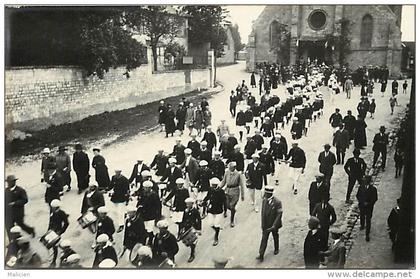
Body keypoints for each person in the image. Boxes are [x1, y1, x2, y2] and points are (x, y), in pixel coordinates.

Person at [256, 186, 283, 262]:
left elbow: (279, 215)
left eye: (266, 193)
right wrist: (263, 225)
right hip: (266, 225)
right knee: (264, 239)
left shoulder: (277, 202)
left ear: (270, 194)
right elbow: (263, 213)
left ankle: (276, 248)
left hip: (274, 224)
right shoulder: (264, 200)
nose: (265, 194)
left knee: (275, 236)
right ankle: (261, 254)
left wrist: (274, 226)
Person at [203, 177, 227, 246]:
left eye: (214, 185)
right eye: (212, 184)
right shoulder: (210, 190)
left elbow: (224, 202)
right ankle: (217, 229)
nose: (213, 186)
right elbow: (207, 196)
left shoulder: (221, 191)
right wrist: (204, 201)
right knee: (210, 223)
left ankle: (216, 237)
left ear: (217, 184)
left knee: (216, 224)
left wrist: (225, 211)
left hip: (219, 210)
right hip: (211, 209)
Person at [219, 162, 245, 227]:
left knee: (232, 205)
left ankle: (232, 220)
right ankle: (233, 210)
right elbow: (223, 181)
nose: (230, 169)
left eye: (231, 168)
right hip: (227, 191)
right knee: (227, 205)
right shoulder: (227, 172)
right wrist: (219, 188)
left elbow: (242, 185)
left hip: (235, 191)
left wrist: (242, 195)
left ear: (234, 167)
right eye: (229, 168)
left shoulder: (238, 174)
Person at [136, 181, 161, 246]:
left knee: (149, 228)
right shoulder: (143, 193)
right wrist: (138, 207)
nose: (145, 189)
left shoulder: (154, 195)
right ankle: (144, 240)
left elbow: (158, 205)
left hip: (151, 214)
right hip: (143, 214)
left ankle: (150, 239)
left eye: (147, 188)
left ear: (150, 188)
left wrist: (158, 215)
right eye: (144, 187)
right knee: (143, 228)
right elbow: (140, 201)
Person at [47, 199, 69, 267]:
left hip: (58, 231)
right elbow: (50, 222)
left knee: (56, 246)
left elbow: (66, 223)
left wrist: (61, 231)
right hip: (52, 231)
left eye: (52, 207)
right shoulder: (52, 212)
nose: (51, 208)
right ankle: (53, 260)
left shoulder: (61, 213)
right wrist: (48, 230)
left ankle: (54, 261)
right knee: (53, 246)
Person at [356, 175, 378, 241]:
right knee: (362, 216)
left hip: (369, 207)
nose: (364, 181)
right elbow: (358, 196)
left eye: (366, 180)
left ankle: (367, 234)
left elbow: (375, 198)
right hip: (362, 206)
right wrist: (362, 202)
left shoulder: (373, 189)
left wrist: (369, 203)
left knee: (368, 220)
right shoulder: (361, 188)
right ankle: (362, 225)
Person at [180, 197, 201, 263]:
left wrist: (199, 229)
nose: (187, 206)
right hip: (187, 227)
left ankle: (192, 254)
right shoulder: (185, 211)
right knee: (187, 241)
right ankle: (192, 248)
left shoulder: (195, 211)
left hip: (193, 228)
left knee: (192, 241)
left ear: (192, 204)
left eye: (188, 204)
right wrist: (182, 228)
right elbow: (183, 219)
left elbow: (199, 220)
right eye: (186, 204)